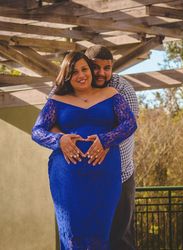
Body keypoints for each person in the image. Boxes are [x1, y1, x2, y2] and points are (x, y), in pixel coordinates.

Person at [32, 51, 137, 250]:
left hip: (105, 179)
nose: (81, 75)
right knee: (72, 236)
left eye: (84, 69)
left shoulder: (112, 94)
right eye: (74, 72)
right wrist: (59, 139)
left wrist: (105, 140)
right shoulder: (57, 100)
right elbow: (37, 131)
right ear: (67, 76)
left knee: (101, 235)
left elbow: (129, 124)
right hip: (68, 181)